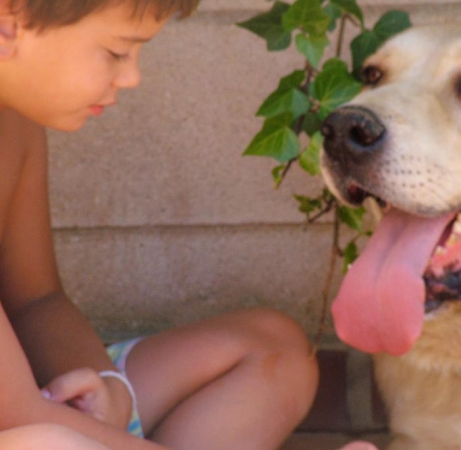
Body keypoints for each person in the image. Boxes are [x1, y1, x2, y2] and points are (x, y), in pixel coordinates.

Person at [0, 0, 319, 449]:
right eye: (116, 52)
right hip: (23, 424)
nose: (132, 77)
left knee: (276, 349)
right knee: (50, 444)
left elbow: (37, 299)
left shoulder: (16, 122)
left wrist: (112, 389)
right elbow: (16, 412)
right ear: (7, 25)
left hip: (28, 410)